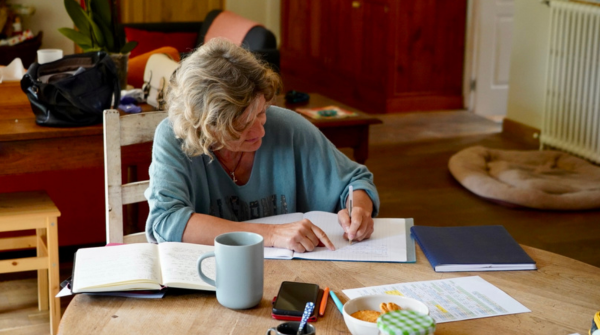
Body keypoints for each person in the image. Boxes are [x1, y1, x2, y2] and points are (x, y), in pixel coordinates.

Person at [145, 38, 380, 253]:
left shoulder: (289, 128)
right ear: (206, 125)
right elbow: (166, 221)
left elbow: (355, 181)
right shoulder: (175, 137)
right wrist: (272, 234)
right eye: (242, 125)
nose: (261, 131)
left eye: (261, 112)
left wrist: (358, 210)